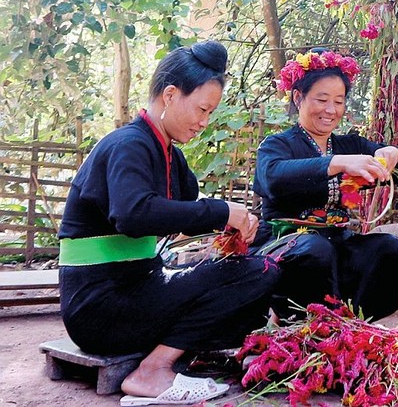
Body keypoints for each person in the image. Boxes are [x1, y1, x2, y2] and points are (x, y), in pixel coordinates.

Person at [58, 40, 279, 405]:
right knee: (258, 272)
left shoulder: (169, 155)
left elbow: (188, 215)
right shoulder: (128, 145)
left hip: (139, 288)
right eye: (202, 109)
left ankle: (173, 357)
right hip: (101, 308)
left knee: (255, 280)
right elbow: (133, 214)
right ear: (171, 95)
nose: (205, 122)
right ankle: (152, 370)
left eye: (210, 113)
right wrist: (221, 212)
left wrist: (239, 225)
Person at [252, 48, 398, 322]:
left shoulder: (350, 145)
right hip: (286, 244)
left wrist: (396, 154)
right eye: (322, 99)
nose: (330, 110)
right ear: (298, 97)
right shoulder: (277, 145)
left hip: (337, 242)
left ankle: (350, 323)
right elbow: (272, 177)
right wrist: (336, 164)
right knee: (315, 250)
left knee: (388, 250)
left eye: (338, 102)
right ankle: (293, 318)